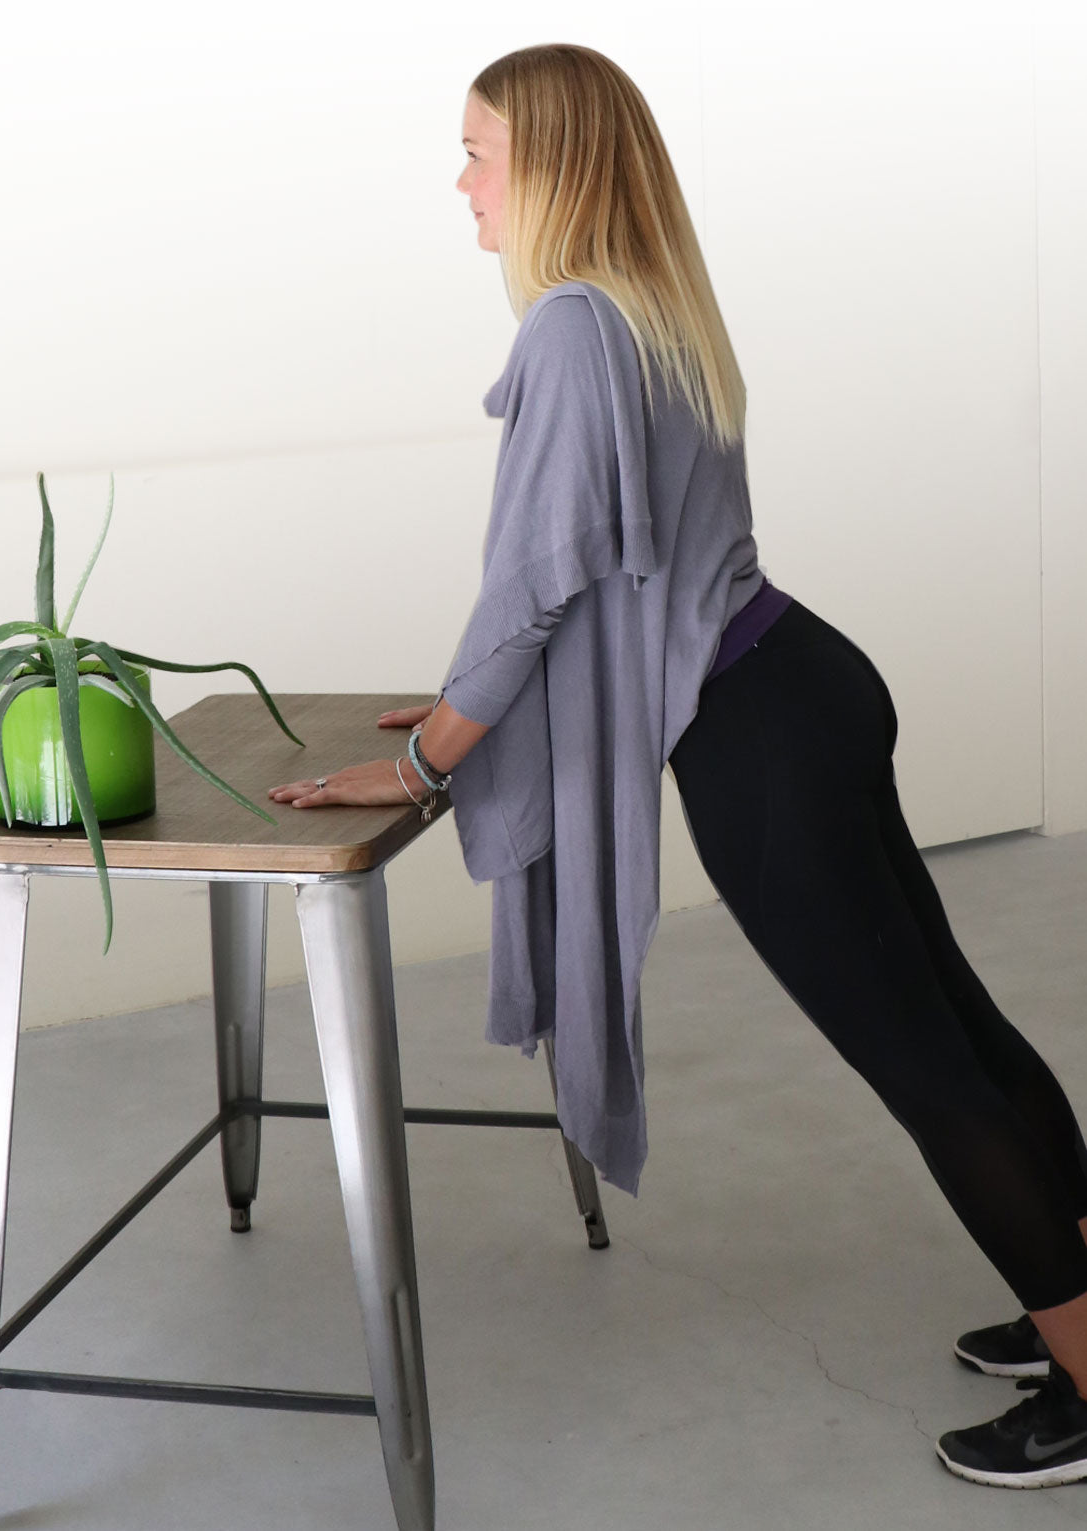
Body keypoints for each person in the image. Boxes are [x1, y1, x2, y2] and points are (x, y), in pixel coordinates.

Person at [267, 43, 1087, 1489]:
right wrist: (457, 711)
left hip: (758, 738)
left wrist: (432, 761)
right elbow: (587, 587)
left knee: (923, 1069)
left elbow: (535, 585)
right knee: (954, 1022)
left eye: (475, 152)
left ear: (550, 165)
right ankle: (1069, 1304)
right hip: (803, 680)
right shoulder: (652, 308)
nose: (458, 181)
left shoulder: (572, 329)